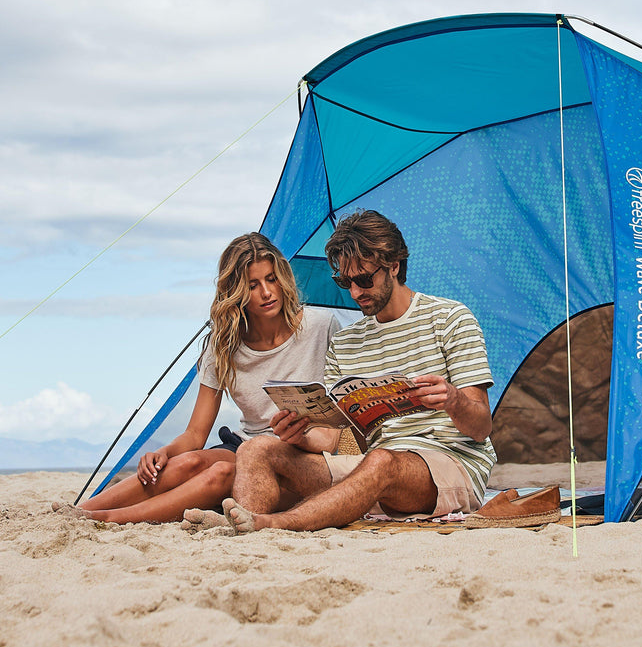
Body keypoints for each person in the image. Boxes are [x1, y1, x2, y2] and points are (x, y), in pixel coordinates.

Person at [223, 210, 495, 533]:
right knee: (256, 449)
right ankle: (242, 532)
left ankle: (273, 524)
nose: (354, 293)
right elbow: (344, 440)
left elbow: (481, 427)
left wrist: (453, 400)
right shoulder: (345, 343)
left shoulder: (450, 318)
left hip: (449, 467)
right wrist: (301, 433)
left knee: (381, 462)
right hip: (371, 471)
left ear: (394, 265)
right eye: (345, 282)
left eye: (365, 279)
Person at [62, 233, 341, 524]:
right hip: (243, 446)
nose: (267, 292)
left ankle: (108, 518)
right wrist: (162, 452)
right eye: (253, 285)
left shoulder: (320, 327)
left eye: (271, 279)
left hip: (300, 453)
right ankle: (81, 510)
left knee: (220, 473)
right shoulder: (223, 346)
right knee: (190, 461)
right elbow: (195, 435)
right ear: (236, 292)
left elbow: (338, 421)